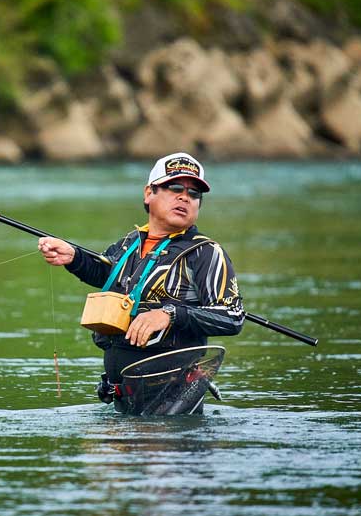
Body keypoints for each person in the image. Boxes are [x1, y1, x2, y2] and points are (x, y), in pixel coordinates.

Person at [38, 152, 244, 413]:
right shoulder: (129, 244)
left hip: (172, 409)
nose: (185, 197)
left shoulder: (205, 253)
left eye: (194, 194)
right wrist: (74, 257)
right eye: (175, 187)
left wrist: (169, 314)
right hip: (123, 402)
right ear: (149, 193)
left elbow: (232, 316)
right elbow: (110, 276)